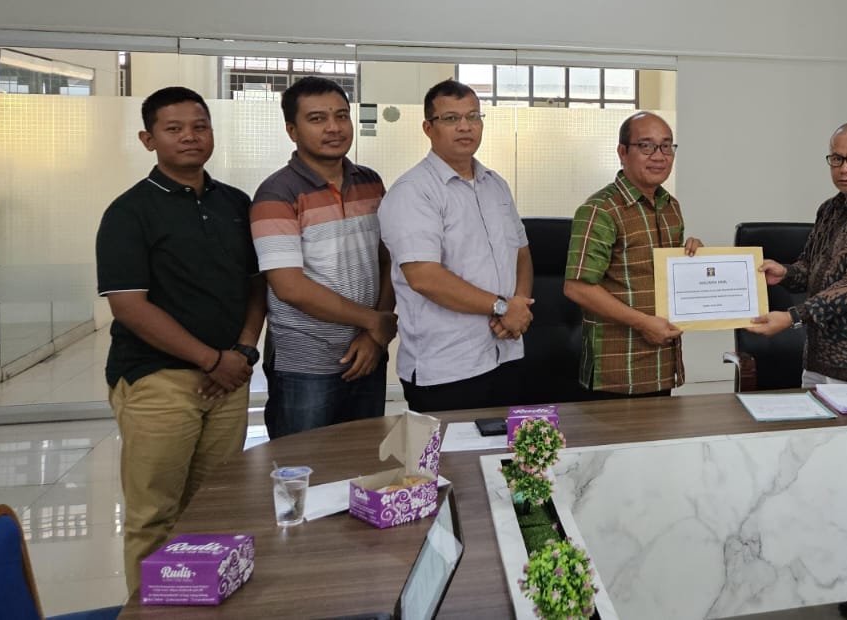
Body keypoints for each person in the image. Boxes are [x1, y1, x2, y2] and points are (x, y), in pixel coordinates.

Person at [95, 87, 264, 592]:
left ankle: (203, 600)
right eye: (174, 129)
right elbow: (129, 306)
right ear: (148, 139)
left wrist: (243, 351)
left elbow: (256, 286)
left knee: (214, 507)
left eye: (200, 126)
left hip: (228, 381)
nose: (190, 137)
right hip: (158, 382)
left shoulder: (235, 204)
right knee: (155, 515)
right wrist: (210, 359)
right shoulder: (129, 212)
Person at [251, 76, 396, 438]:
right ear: (292, 130)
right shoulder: (277, 193)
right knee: (302, 463)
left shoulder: (370, 182)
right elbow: (290, 287)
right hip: (305, 365)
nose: (334, 127)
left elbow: (387, 260)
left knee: (363, 458)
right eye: (317, 119)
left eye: (341, 116)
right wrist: (375, 321)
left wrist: (373, 336)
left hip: (367, 354)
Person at [378, 80, 533, 412]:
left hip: (505, 353)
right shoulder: (413, 192)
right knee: (449, 448)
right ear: (428, 128)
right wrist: (502, 308)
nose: (465, 126)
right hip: (446, 367)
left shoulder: (495, 184)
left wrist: (518, 305)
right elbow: (424, 277)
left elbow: (520, 251)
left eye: (473, 116)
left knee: (504, 446)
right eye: (451, 118)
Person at [749, 122, 847, 385]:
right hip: (817, 357)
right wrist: (785, 273)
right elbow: (810, 268)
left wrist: (791, 317)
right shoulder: (829, 209)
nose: (844, 168)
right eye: (837, 159)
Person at [564, 111, 701, 397]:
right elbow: (577, 287)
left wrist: (693, 259)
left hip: (662, 364)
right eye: (646, 146)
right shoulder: (600, 210)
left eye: (666, 146)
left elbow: (662, 277)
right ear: (622, 152)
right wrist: (643, 323)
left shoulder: (670, 207)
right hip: (617, 371)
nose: (659, 156)